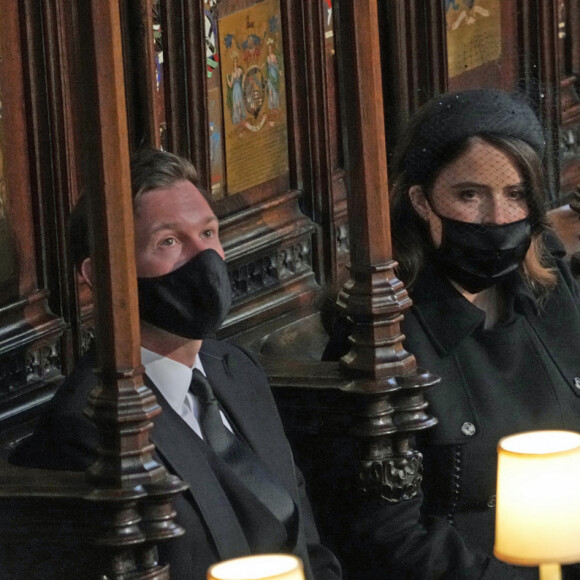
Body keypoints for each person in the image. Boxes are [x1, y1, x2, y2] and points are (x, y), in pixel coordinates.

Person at [12, 148, 341, 580]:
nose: (203, 259)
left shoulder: (236, 369)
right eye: (168, 241)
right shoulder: (87, 427)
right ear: (100, 275)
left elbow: (306, 539)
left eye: (208, 233)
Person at [322, 88, 580, 579]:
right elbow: (389, 537)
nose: (497, 218)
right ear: (421, 200)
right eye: (469, 195)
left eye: (516, 194)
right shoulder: (384, 329)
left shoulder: (549, 287)